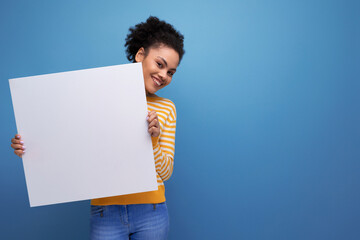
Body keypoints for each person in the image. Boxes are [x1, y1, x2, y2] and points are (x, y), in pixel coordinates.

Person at [10, 16, 185, 240]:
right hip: (106, 211)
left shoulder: (167, 108)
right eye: (160, 64)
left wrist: (153, 138)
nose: (163, 75)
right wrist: (30, 146)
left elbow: (166, 172)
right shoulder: (97, 94)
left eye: (170, 72)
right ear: (140, 55)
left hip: (151, 210)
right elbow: (69, 142)